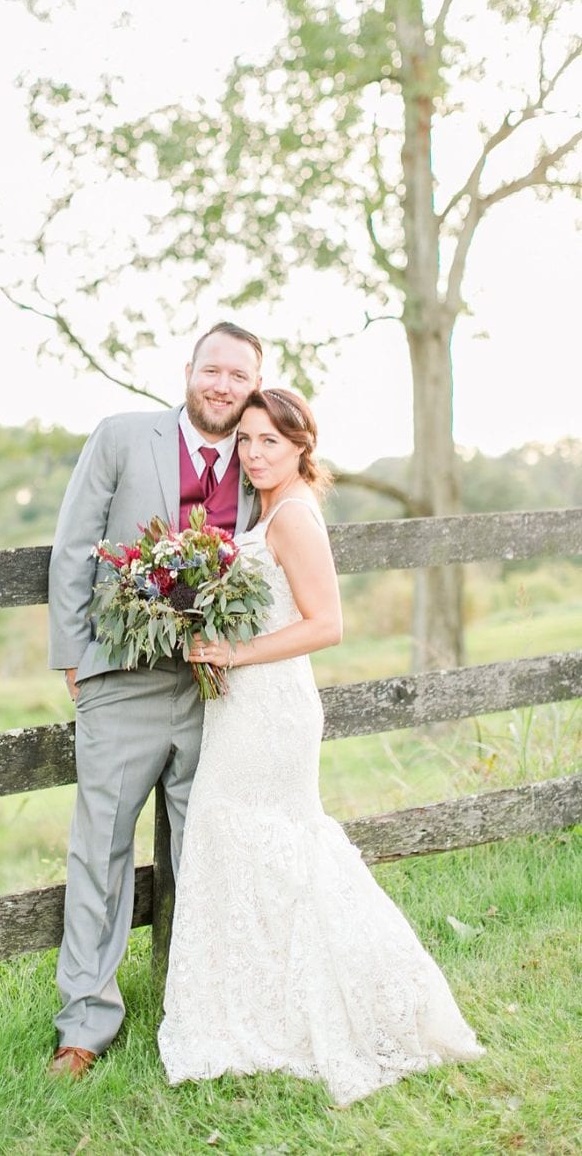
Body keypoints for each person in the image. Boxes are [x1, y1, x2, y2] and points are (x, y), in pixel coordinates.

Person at [160, 388, 483, 1105]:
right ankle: (267, 1001)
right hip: (244, 706)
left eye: (270, 441)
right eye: (245, 440)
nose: (253, 453)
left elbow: (327, 623)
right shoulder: (268, 508)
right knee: (247, 844)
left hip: (270, 710)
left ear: (303, 445)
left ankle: (343, 1000)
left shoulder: (296, 514)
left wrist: (234, 653)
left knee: (276, 842)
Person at [45, 322, 263, 1078]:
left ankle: (194, 1004)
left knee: (201, 850)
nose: (223, 385)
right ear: (189, 370)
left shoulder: (261, 464)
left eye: (239, 375)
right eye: (213, 369)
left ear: (252, 386)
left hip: (213, 691)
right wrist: (75, 658)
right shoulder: (121, 436)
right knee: (99, 848)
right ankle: (85, 1024)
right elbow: (75, 544)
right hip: (121, 681)